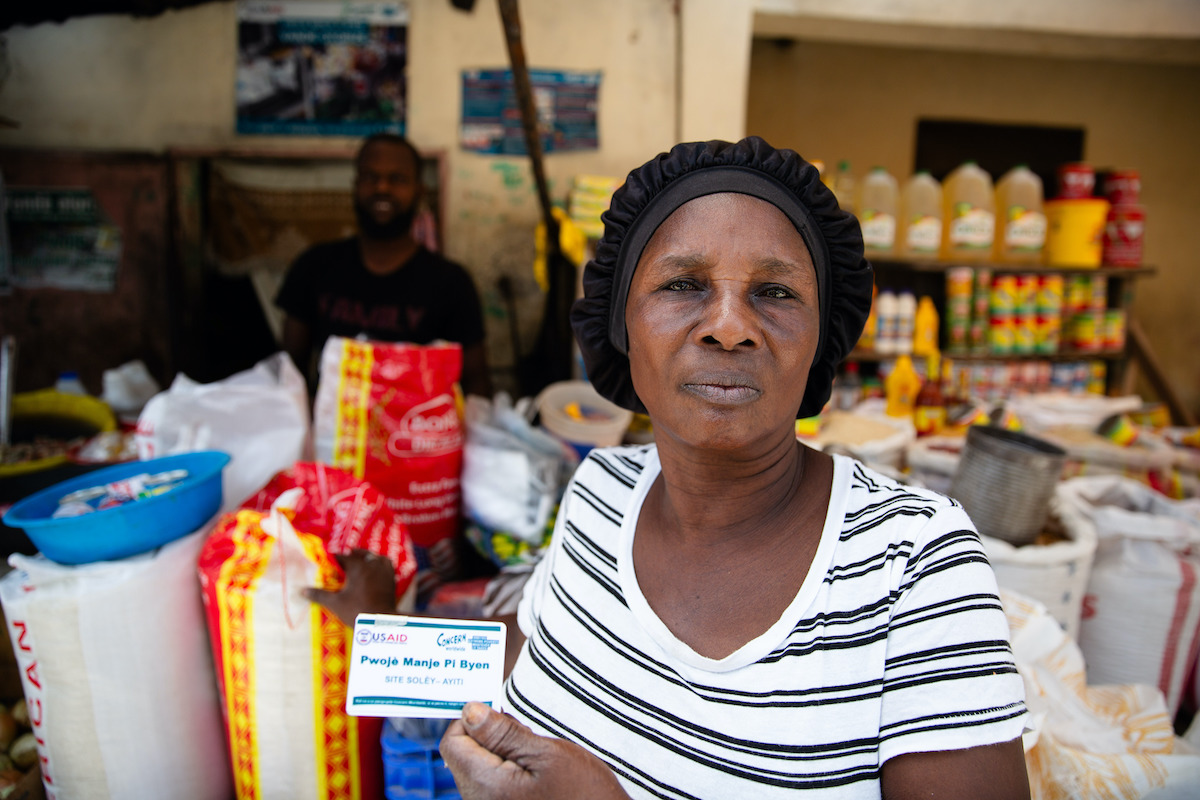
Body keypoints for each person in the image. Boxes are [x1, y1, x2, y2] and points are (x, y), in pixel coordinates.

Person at [311, 137, 1031, 799]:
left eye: (776, 293)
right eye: (684, 283)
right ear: (621, 325)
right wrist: (382, 627)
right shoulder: (600, 491)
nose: (729, 324)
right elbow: (543, 653)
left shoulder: (913, 562)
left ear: (822, 337)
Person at [275, 132, 494, 399]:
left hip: (416, 432)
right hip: (335, 432)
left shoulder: (451, 283)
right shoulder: (314, 266)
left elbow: (475, 382)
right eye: (370, 177)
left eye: (397, 179)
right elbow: (289, 369)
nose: (382, 188)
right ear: (355, 185)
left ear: (419, 190)